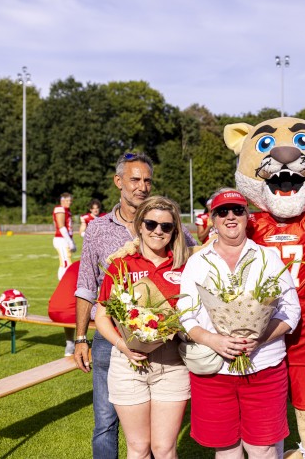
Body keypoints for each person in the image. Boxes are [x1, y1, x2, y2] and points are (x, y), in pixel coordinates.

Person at [73, 152, 197, 459]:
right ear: (119, 182)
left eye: (147, 180)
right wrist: (81, 337)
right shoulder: (104, 236)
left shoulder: (181, 251)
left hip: (170, 356)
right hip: (116, 344)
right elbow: (87, 285)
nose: (158, 230)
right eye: (134, 179)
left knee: (162, 446)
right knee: (108, 423)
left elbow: (199, 261)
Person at [177, 189, 301, 458]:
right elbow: (185, 315)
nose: (230, 217)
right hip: (214, 373)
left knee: (263, 449)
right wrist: (215, 341)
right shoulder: (198, 261)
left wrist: (260, 338)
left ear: (248, 217)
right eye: (222, 212)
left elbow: (292, 311)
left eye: (237, 210)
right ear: (212, 219)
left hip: (264, 367)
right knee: (227, 451)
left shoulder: (268, 258)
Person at [94, 196, 191, 459]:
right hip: (128, 363)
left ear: (174, 231)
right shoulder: (121, 264)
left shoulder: (185, 265)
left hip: (171, 363)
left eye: (166, 226)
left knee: (164, 448)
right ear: (140, 226)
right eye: (151, 224)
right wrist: (122, 344)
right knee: (138, 448)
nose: (158, 231)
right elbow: (102, 315)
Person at [49, 260, 80, 356]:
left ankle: (70, 344)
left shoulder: (75, 265)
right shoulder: (89, 268)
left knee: (71, 305)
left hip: (52, 310)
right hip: (69, 314)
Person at [53, 192, 76, 280]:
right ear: (62, 200)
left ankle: (65, 282)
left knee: (67, 260)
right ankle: (63, 283)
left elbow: (68, 228)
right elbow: (61, 226)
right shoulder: (60, 209)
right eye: (67, 200)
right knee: (65, 262)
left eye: (70, 201)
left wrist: (72, 241)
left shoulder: (67, 210)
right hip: (61, 239)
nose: (69, 202)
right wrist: (70, 242)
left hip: (65, 239)